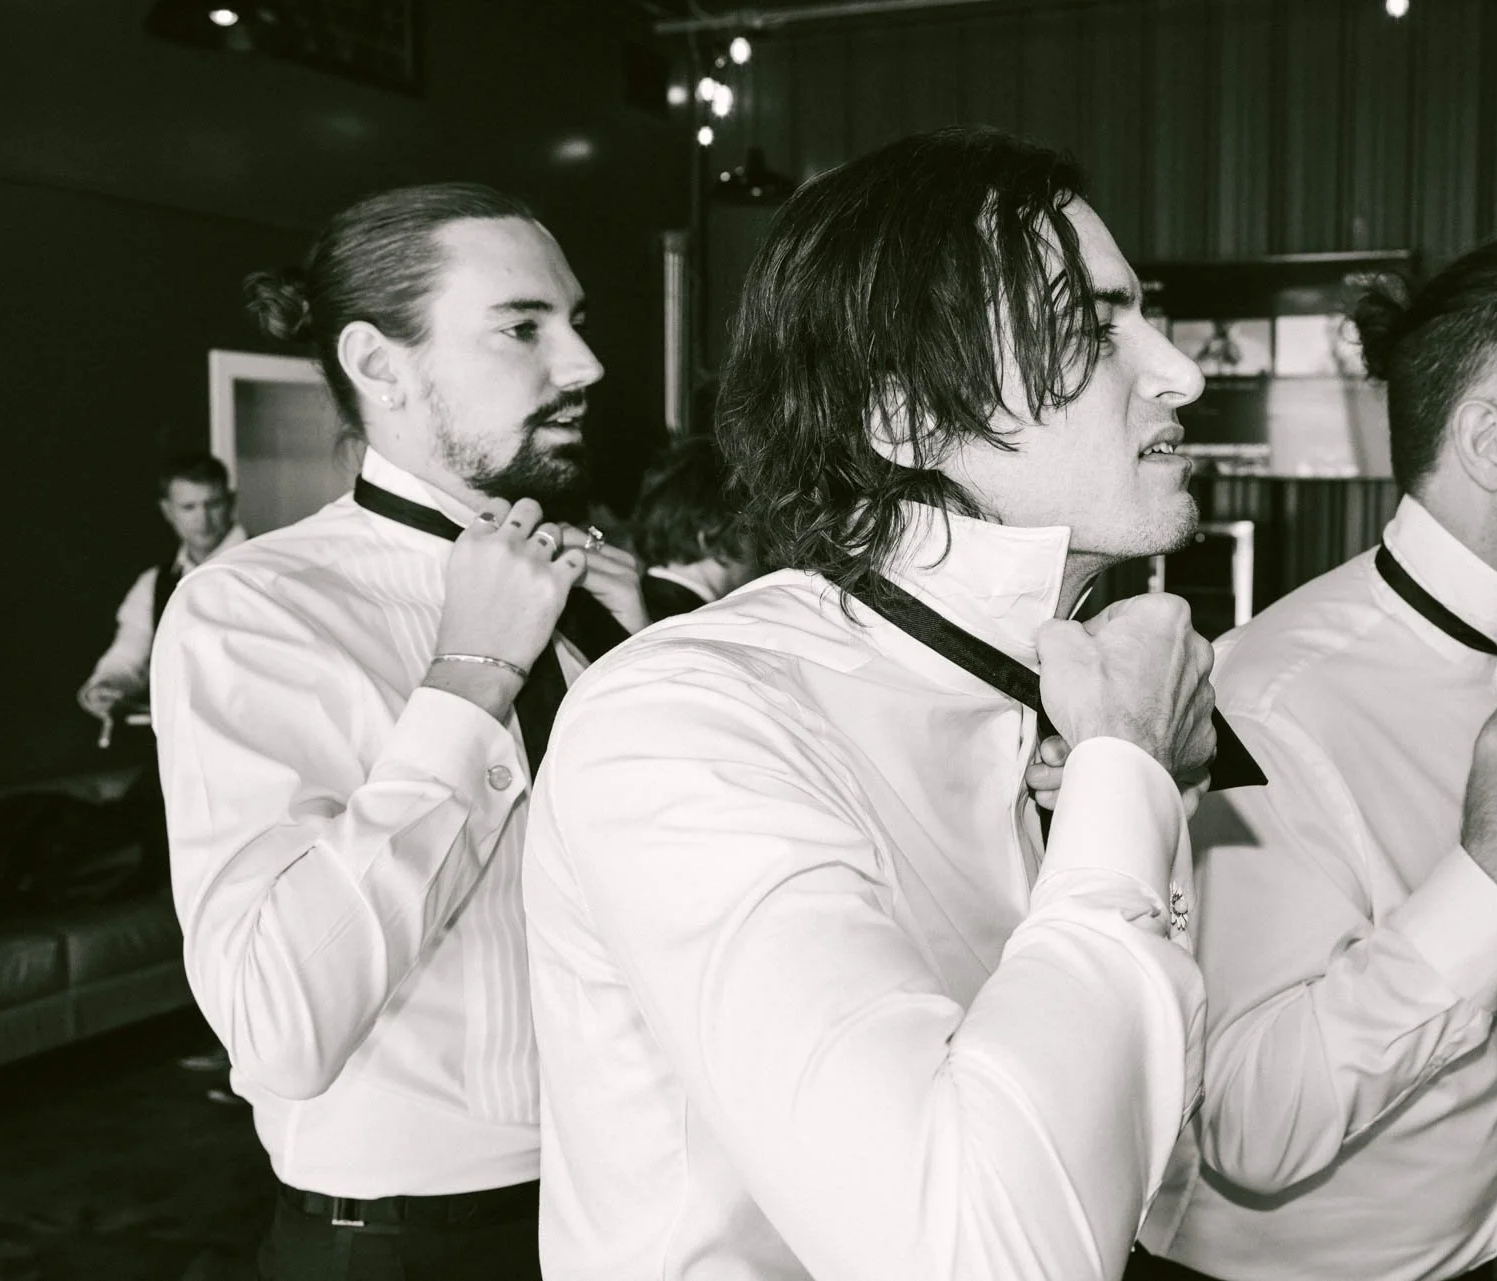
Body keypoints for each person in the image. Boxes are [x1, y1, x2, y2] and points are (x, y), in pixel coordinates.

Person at [524, 126, 1237, 1280]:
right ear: (903, 418)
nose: (1180, 372)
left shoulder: (1088, 682)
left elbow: (1146, 1166)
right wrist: (1127, 774)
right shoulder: (689, 718)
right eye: (1094, 325)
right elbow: (972, 1253)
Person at [1141, 235, 1497, 1281]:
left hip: (1483, 1256)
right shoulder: (1272, 706)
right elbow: (1249, 1130)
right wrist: (1491, 879)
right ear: (1492, 446)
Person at [153, 182, 647, 1281]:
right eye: (524, 327)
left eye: (578, 322)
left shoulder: (599, 599)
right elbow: (280, 1021)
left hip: (648, 1204)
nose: (584, 365)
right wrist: (471, 681)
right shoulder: (255, 608)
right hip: (424, 1244)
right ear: (380, 365)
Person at [78, 452, 244, 730]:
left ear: (231, 501)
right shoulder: (154, 583)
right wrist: (107, 685)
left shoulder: (267, 569)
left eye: (212, 504)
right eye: (189, 507)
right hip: (180, 742)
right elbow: (129, 656)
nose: (202, 518)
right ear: (168, 511)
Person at [627, 432, 760, 622]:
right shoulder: (695, 623)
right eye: (754, 530)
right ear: (711, 532)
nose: (767, 553)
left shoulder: (639, 601)